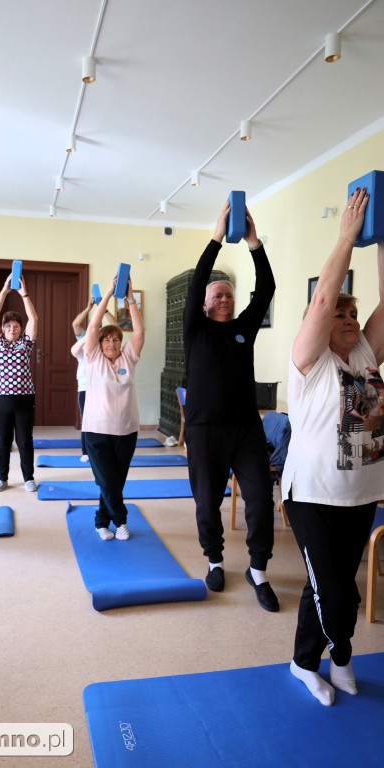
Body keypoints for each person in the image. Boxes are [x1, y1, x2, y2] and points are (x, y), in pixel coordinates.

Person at [282, 186, 384, 706]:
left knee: (327, 583)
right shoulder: (310, 360)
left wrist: (382, 235)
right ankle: (340, 655)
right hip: (312, 495)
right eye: (337, 314)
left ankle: (303, 662)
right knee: (337, 591)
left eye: (352, 314)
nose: (345, 319)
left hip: (361, 493)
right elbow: (322, 299)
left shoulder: (365, 354)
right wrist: (347, 236)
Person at [183, 199, 279, 611]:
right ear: (205, 304)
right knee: (207, 503)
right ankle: (215, 560)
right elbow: (197, 281)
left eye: (228, 294)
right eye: (217, 294)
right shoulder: (195, 330)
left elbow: (268, 289)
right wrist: (217, 237)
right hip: (204, 430)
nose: (224, 298)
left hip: (245, 429)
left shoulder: (244, 329)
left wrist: (255, 244)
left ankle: (258, 570)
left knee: (260, 498)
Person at [82, 275, 145, 540]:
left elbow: (139, 332)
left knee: (115, 481)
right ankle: (120, 521)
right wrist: (108, 293)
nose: (111, 344)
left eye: (116, 340)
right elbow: (94, 326)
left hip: (127, 431)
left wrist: (130, 298)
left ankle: (100, 521)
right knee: (107, 481)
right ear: (100, 343)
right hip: (97, 432)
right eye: (106, 340)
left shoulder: (128, 358)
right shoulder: (93, 357)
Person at [0, 274, 38, 492]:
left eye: (16, 326)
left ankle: (28, 478)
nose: (12, 329)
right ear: (3, 329)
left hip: (25, 398)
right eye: (8, 326)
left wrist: (23, 294)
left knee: (25, 440)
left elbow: (34, 320)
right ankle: (2, 478)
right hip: (1, 398)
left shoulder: (25, 344)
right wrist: (5, 291)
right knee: (2, 440)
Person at [71, 296, 117, 462]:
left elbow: (116, 326)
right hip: (85, 386)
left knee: (105, 419)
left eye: (98, 326)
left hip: (102, 387)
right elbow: (75, 324)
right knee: (87, 420)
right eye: (93, 326)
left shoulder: (106, 342)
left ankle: (105, 449)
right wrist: (89, 308)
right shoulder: (84, 339)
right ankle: (85, 452)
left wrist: (104, 310)